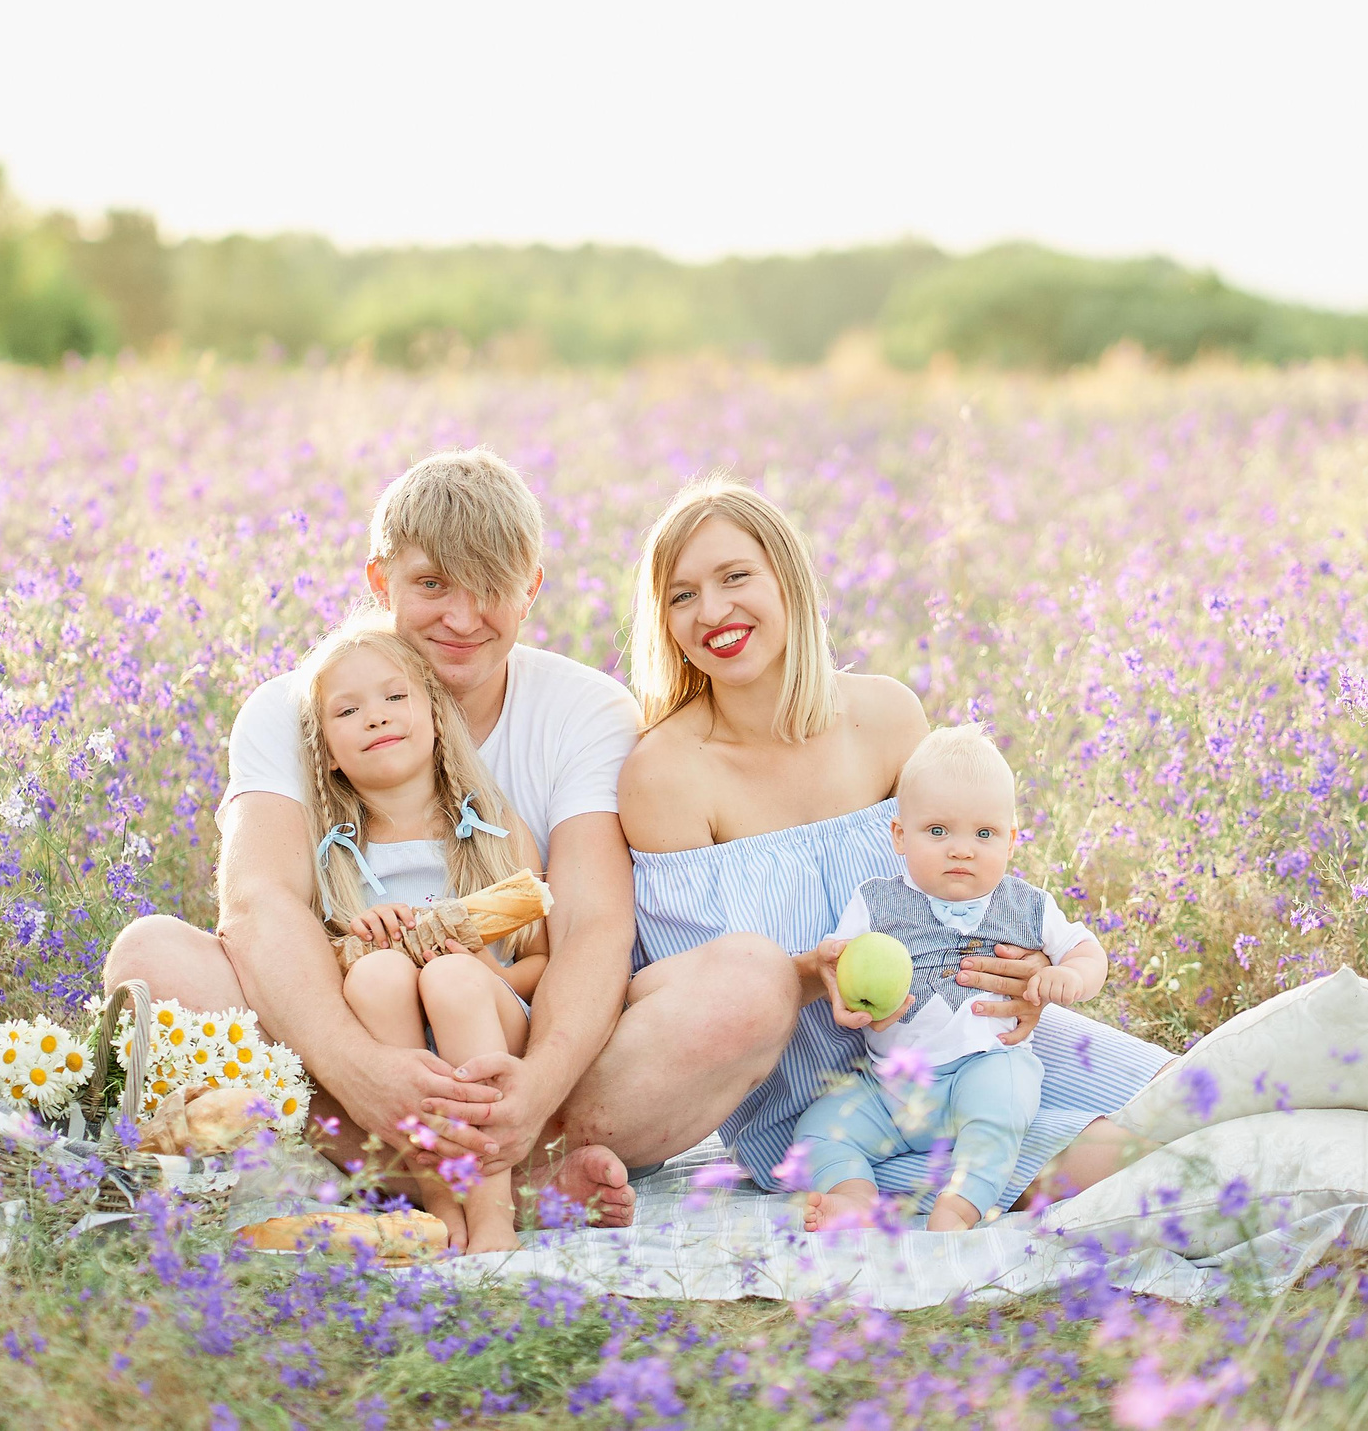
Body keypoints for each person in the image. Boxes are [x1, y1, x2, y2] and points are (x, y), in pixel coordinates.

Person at [103, 450, 803, 1228]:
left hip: (521, 1050)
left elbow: (591, 924)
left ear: (531, 586)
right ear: (381, 581)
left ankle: (470, 1164)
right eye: (434, 584)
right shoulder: (291, 708)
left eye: (491, 585)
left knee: (753, 983)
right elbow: (259, 904)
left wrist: (537, 1085)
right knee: (151, 958)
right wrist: (362, 1071)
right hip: (351, 1048)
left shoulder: (587, 710)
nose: (463, 619)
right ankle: (506, 1185)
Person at [618, 478, 1175, 1216]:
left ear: (787, 579)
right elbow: (698, 1005)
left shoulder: (886, 715)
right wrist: (811, 974)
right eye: (682, 595)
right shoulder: (664, 775)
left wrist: (1029, 968)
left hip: (971, 1038)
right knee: (1140, 1161)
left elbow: (962, 876)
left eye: (734, 576)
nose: (713, 611)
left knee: (1197, 1099)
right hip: (824, 1103)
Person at [795, 724, 1109, 1232]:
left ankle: (960, 1204)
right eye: (938, 831)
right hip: (889, 1086)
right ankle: (853, 1197)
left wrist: (1072, 973)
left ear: (1011, 840)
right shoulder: (875, 901)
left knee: (1001, 1109)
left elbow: (1087, 950)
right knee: (818, 1130)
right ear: (900, 836)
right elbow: (841, 966)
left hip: (984, 1066)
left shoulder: (1027, 905)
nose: (962, 850)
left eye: (984, 834)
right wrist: (849, 994)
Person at [300, 615, 543, 1252]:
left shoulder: (492, 829)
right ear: (327, 752)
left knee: (451, 977)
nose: (376, 717)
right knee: (379, 974)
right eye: (348, 710)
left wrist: (484, 968)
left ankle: (491, 1211)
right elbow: (315, 981)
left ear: (435, 715)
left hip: (488, 1021)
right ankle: (436, 1195)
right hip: (395, 1047)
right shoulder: (334, 859)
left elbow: (543, 965)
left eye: (394, 696)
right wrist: (353, 947)